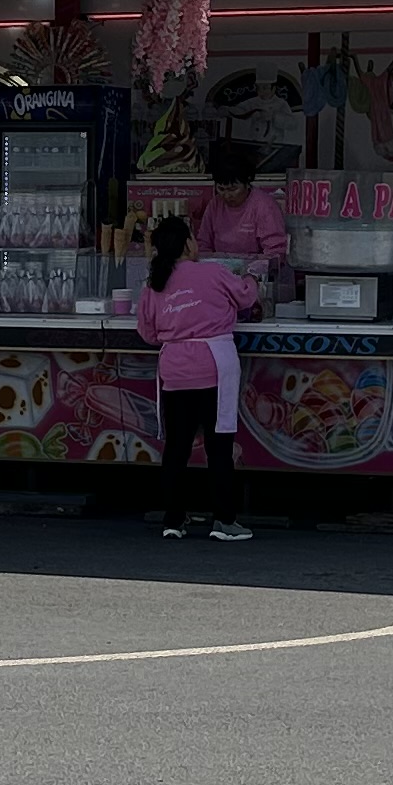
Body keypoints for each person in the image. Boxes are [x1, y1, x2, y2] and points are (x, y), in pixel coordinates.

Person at [135, 209, 265, 540]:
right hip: (214, 368)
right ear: (187, 244)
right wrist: (254, 277)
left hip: (175, 371)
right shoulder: (213, 272)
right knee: (219, 448)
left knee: (176, 448)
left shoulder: (154, 284)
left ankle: (173, 520)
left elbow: (148, 333)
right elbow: (246, 296)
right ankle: (224, 521)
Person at [187, 145, 290, 278]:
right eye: (221, 189)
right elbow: (203, 245)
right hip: (220, 276)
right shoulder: (215, 205)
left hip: (255, 277)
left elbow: (276, 252)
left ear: (247, 182)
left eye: (233, 189)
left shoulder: (264, 206)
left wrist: (252, 270)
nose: (227, 195)